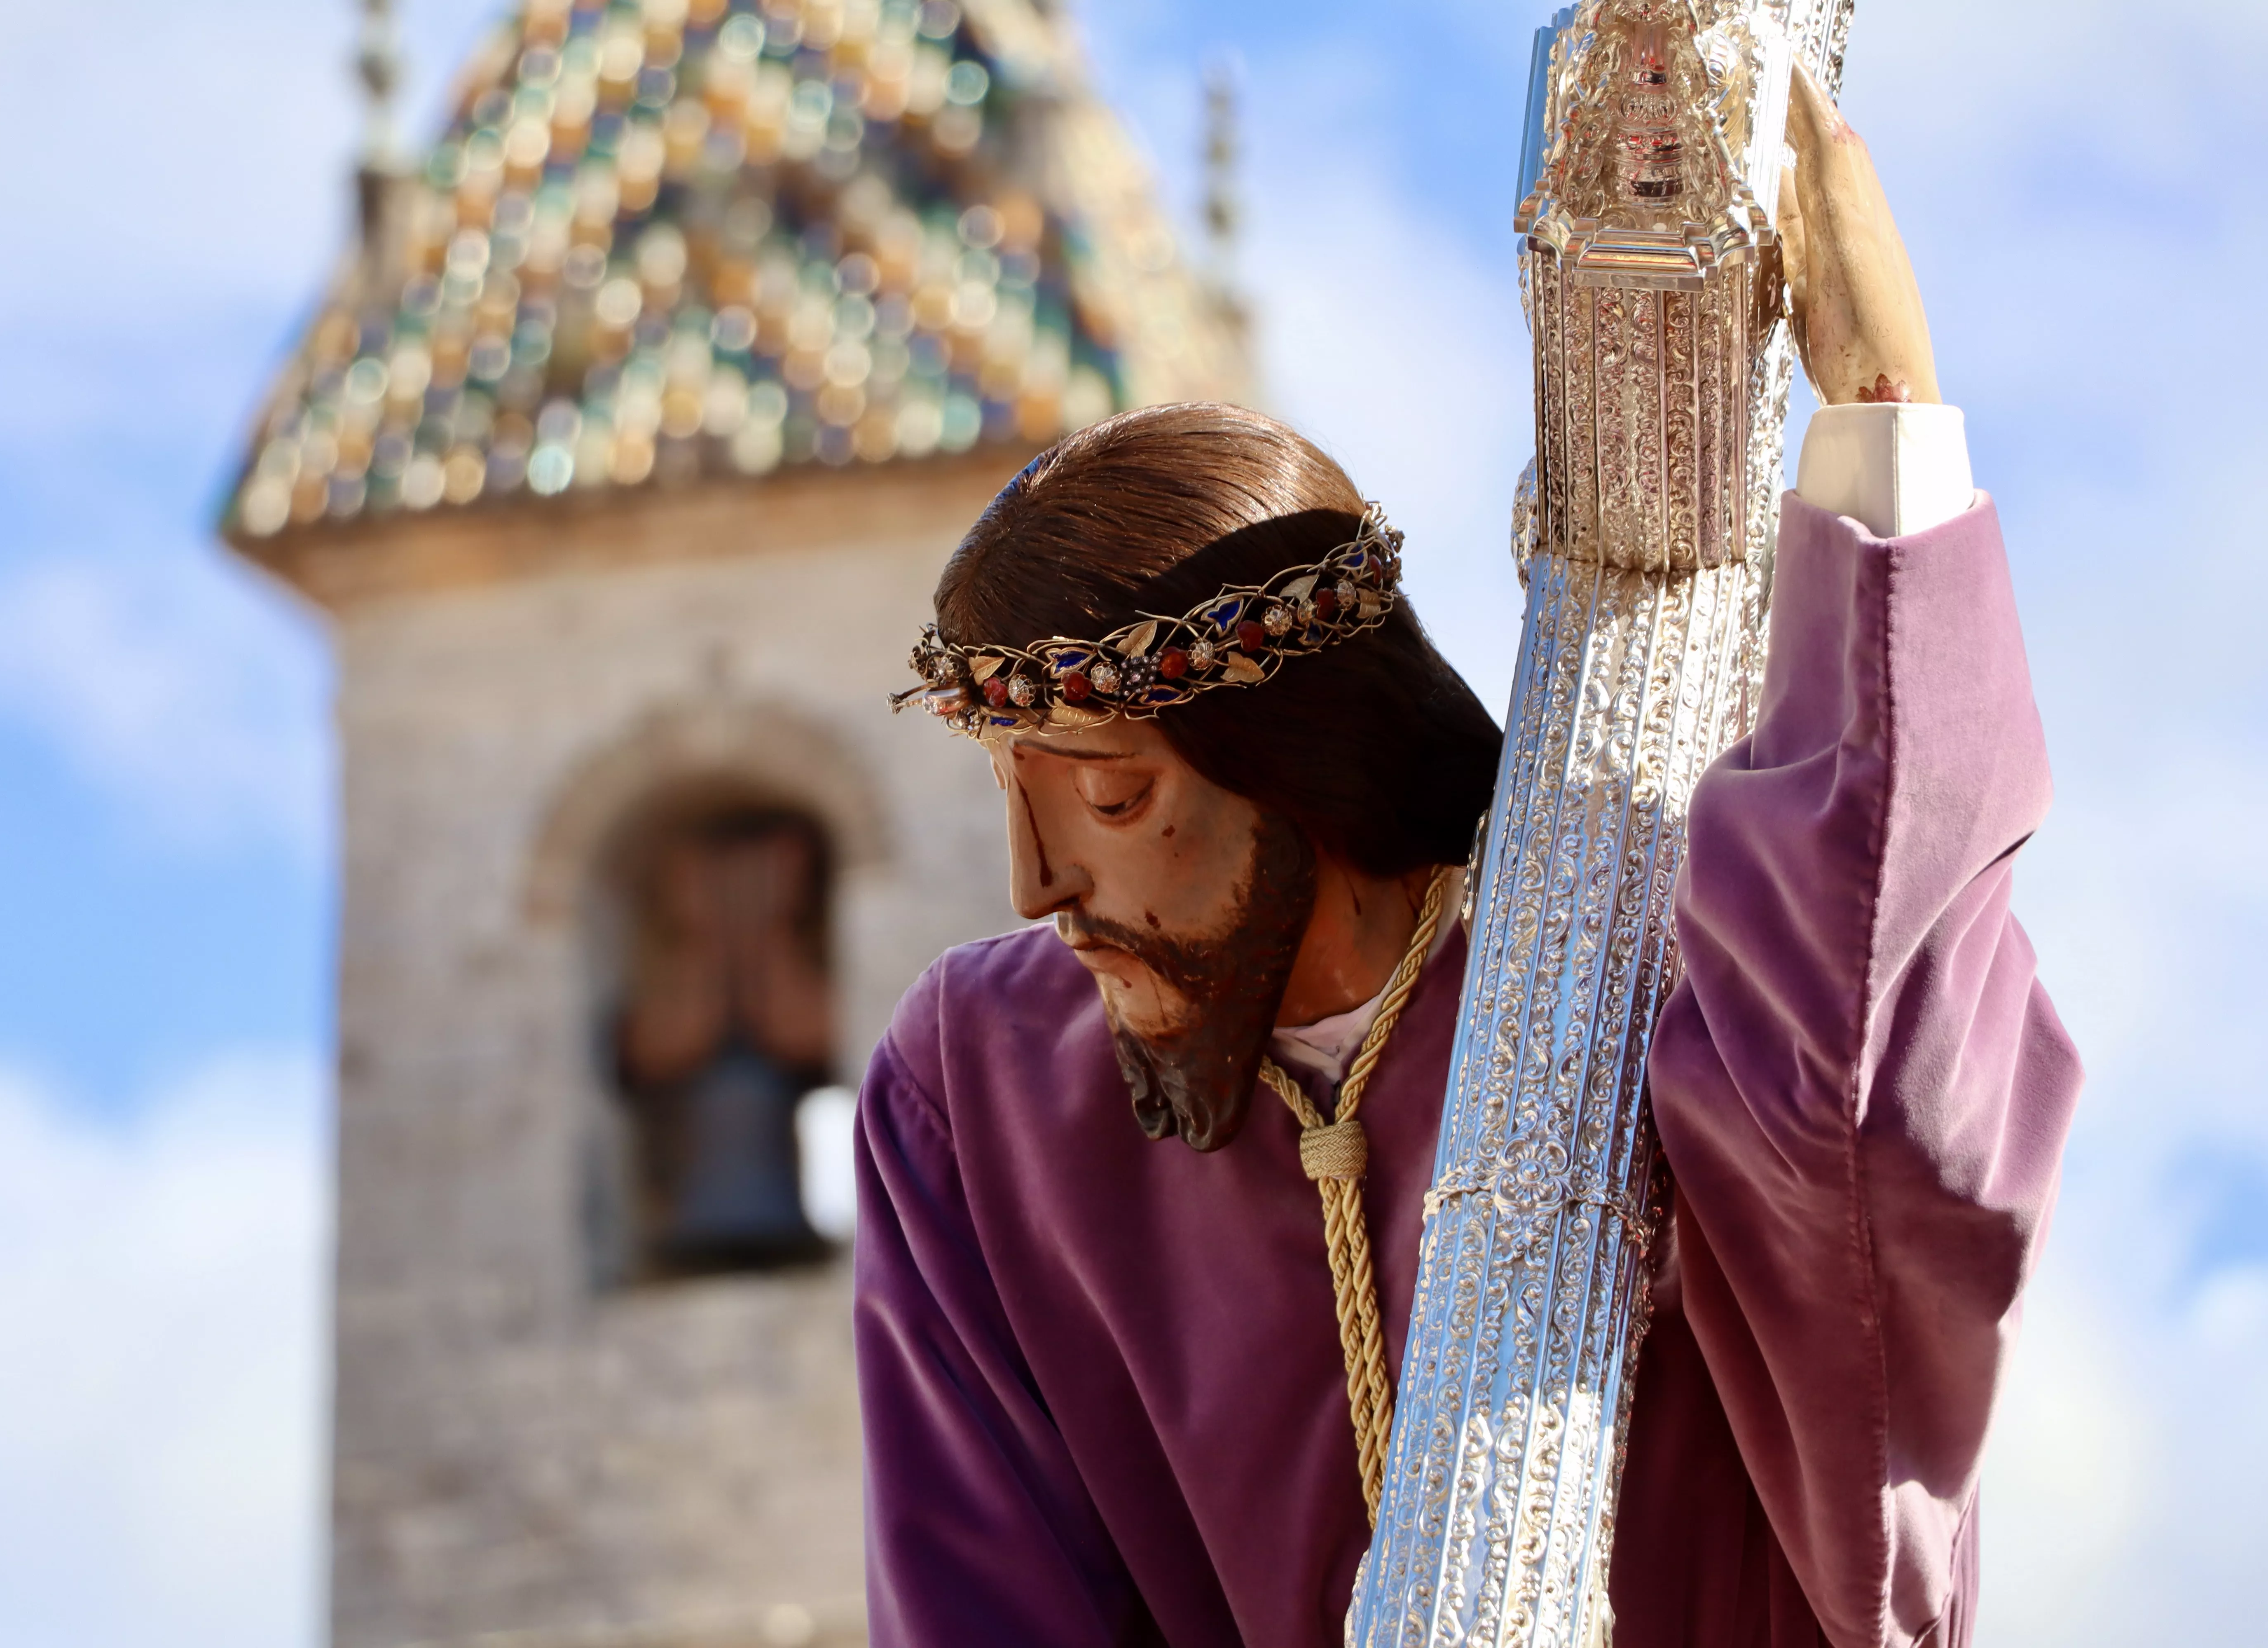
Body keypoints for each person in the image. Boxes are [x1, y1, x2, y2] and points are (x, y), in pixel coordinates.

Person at [852, 66, 2080, 1648]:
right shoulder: (989, 1093)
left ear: (1285, 758)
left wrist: (1886, 428)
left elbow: (1887, 1137)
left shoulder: (1644, 948)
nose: (1033, 888)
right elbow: (981, 1599)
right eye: (1003, 798)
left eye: (1103, 796)